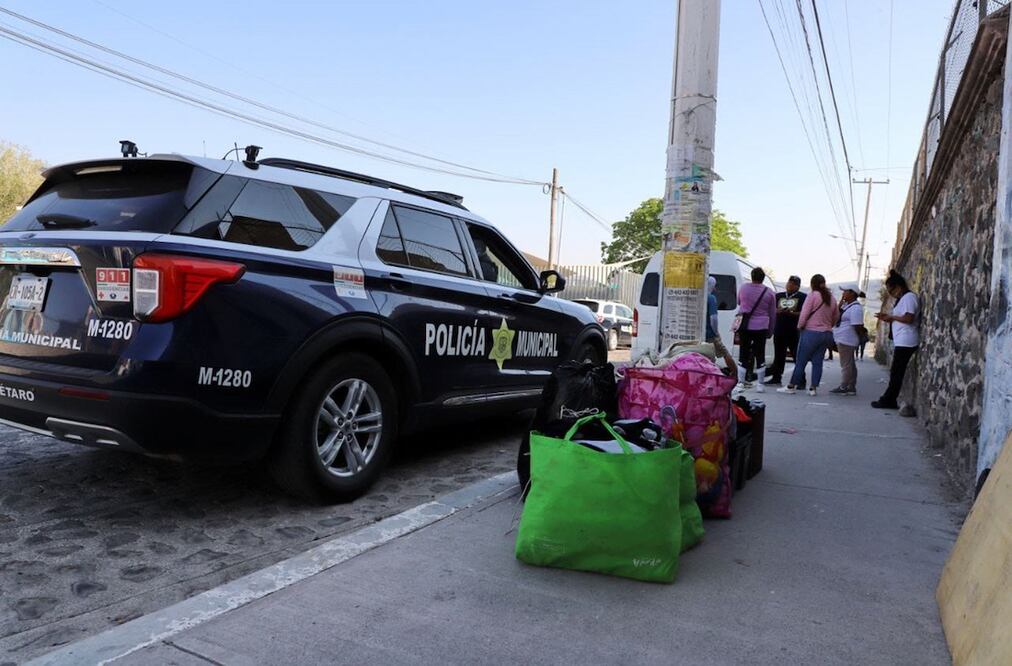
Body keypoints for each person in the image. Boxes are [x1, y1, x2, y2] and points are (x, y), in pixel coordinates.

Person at [777, 274, 838, 396]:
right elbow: (836, 316)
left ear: (812, 284)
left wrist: (800, 326)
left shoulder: (812, 296)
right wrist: (828, 325)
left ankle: (791, 386)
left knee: (801, 360)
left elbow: (804, 313)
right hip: (826, 334)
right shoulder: (831, 298)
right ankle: (813, 388)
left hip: (811, 333)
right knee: (818, 361)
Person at [872, 270, 920, 409]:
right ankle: (889, 399)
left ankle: (889, 399)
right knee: (895, 372)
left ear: (898, 286)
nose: (891, 294)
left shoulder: (909, 298)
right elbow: (901, 318)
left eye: (891, 290)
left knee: (897, 373)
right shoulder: (902, 300)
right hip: (902, 340)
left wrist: (892, 317)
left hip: (907, 340)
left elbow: (909, 318)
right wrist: (888, 318)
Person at [735, 267, 776, 389]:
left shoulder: (743, 288)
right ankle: (760, 384)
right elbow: (772, 313)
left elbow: (739, 302)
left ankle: (741, 382)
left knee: (743, 353)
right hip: (761, 326)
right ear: (763, 279)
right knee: (760, 354)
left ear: (752, 276)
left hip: (745, 325)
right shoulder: (769, 292)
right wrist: (770, 330)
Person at [765, 275, 806, 387]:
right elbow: (770, 310)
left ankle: (801, 380)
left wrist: (792, 313)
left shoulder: (803, 297)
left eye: (793, 284)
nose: (790, 285)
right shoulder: (778, 296)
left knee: (796, 355)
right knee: (779, 355)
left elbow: (804, 313)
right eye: (789, 283)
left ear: (798, 286)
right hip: (779, 328)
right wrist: (777, 311)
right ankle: (776, 377)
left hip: (794, 330)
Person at [830, 284, 864, 396]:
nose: (843, 293)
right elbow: (836, 315)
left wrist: (860, 338)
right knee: (850, 364)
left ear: (852, 293)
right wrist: (840, 303)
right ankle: (851, 386)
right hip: (842, 338)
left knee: (846, 364)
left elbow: (857, 326)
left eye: (845, 291)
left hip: (847, 339)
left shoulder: (856, 308)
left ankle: (844, 386)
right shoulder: (846, 306)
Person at [706, 276, 737, 376]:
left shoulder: (700, 297)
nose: (715, 289)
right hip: (710, 334)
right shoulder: (711, 298)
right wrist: (716, 332)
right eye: (714, 286)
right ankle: (735, 375)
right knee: (725, 353)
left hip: (700, 334)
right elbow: (713, 318)